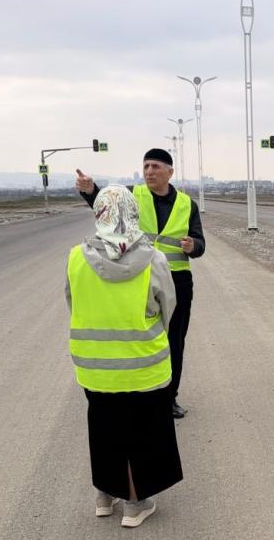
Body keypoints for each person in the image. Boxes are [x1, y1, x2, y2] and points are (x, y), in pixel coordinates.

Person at [65, 185, 182, 528]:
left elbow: (72, 302)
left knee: (103, 428)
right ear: (133, 213)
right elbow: (167, 308)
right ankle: (135, 503)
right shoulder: (154, 259)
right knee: (142, 433)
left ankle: (105, 496)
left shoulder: (76, 257)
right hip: (143, 365)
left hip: (94, 366)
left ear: (98, 213)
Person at [75, 148, 204, 419]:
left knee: (174, 341)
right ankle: (138, 392)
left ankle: (169, 397)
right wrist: (90, 191)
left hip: (178, 280)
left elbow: (200, 243)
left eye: (155, 166)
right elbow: (107, 206)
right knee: (142, 339)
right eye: (146, 166)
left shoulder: (187, 204)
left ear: (170, 172)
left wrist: (193, 246)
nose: (149, 172)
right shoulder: (134, 194)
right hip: (140, 277)